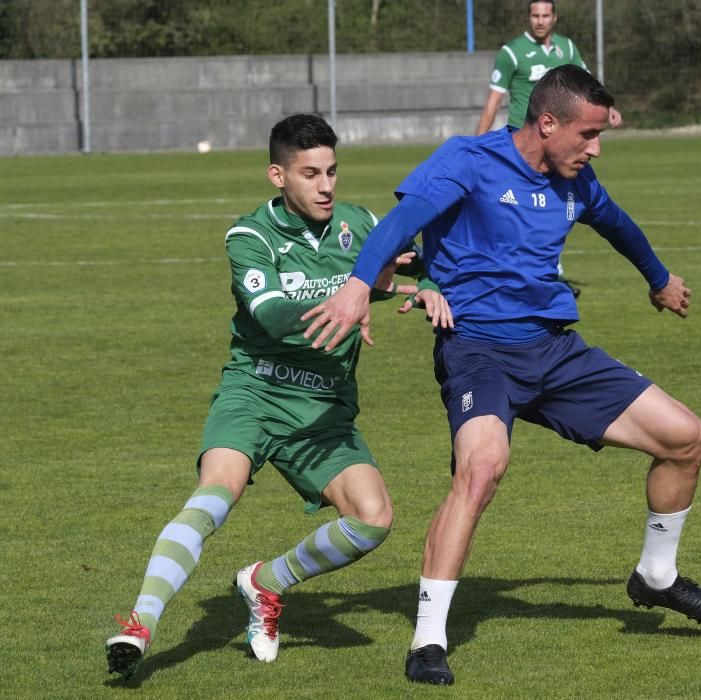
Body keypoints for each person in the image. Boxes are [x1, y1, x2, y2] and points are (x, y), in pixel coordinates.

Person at [301, 65, 701, 686]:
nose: (595, 148)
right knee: (482, 468)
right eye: (587, 134)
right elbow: (398, 226)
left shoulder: (575, 180)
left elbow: (619, 225)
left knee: (686, 437)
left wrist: (659, 280)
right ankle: (427, 641)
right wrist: (353, 287)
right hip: (476, 350)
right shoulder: (468, 160)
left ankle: (656, 577)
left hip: (554, 351)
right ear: (547, 122)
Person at [105, 113, 452, 680]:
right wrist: (348, 300)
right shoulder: (249, 237)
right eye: (310, 173)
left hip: (324, 410)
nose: (325, 186)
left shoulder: (360, 223)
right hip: (257, 390)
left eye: (332, 172)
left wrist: (429, 288)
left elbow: (418, 262)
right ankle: (140, 623)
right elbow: (268, 316)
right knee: (216, 494)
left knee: (373, 519)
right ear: (278, 176)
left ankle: (264, 583)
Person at [475, 0, 623, 299]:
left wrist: (608, 111)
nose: (540, 20)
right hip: (522, 147)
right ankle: (520, 275)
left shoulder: (567, 49)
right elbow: (493, 101)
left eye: (545, 15)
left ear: (554, 17)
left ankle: (547, 276)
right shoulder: (511, 52)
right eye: (535, 15)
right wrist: (478, 144)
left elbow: (588, 87)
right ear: (528, 17)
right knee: (515, 210)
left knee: (555, 207)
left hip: (559, 147)